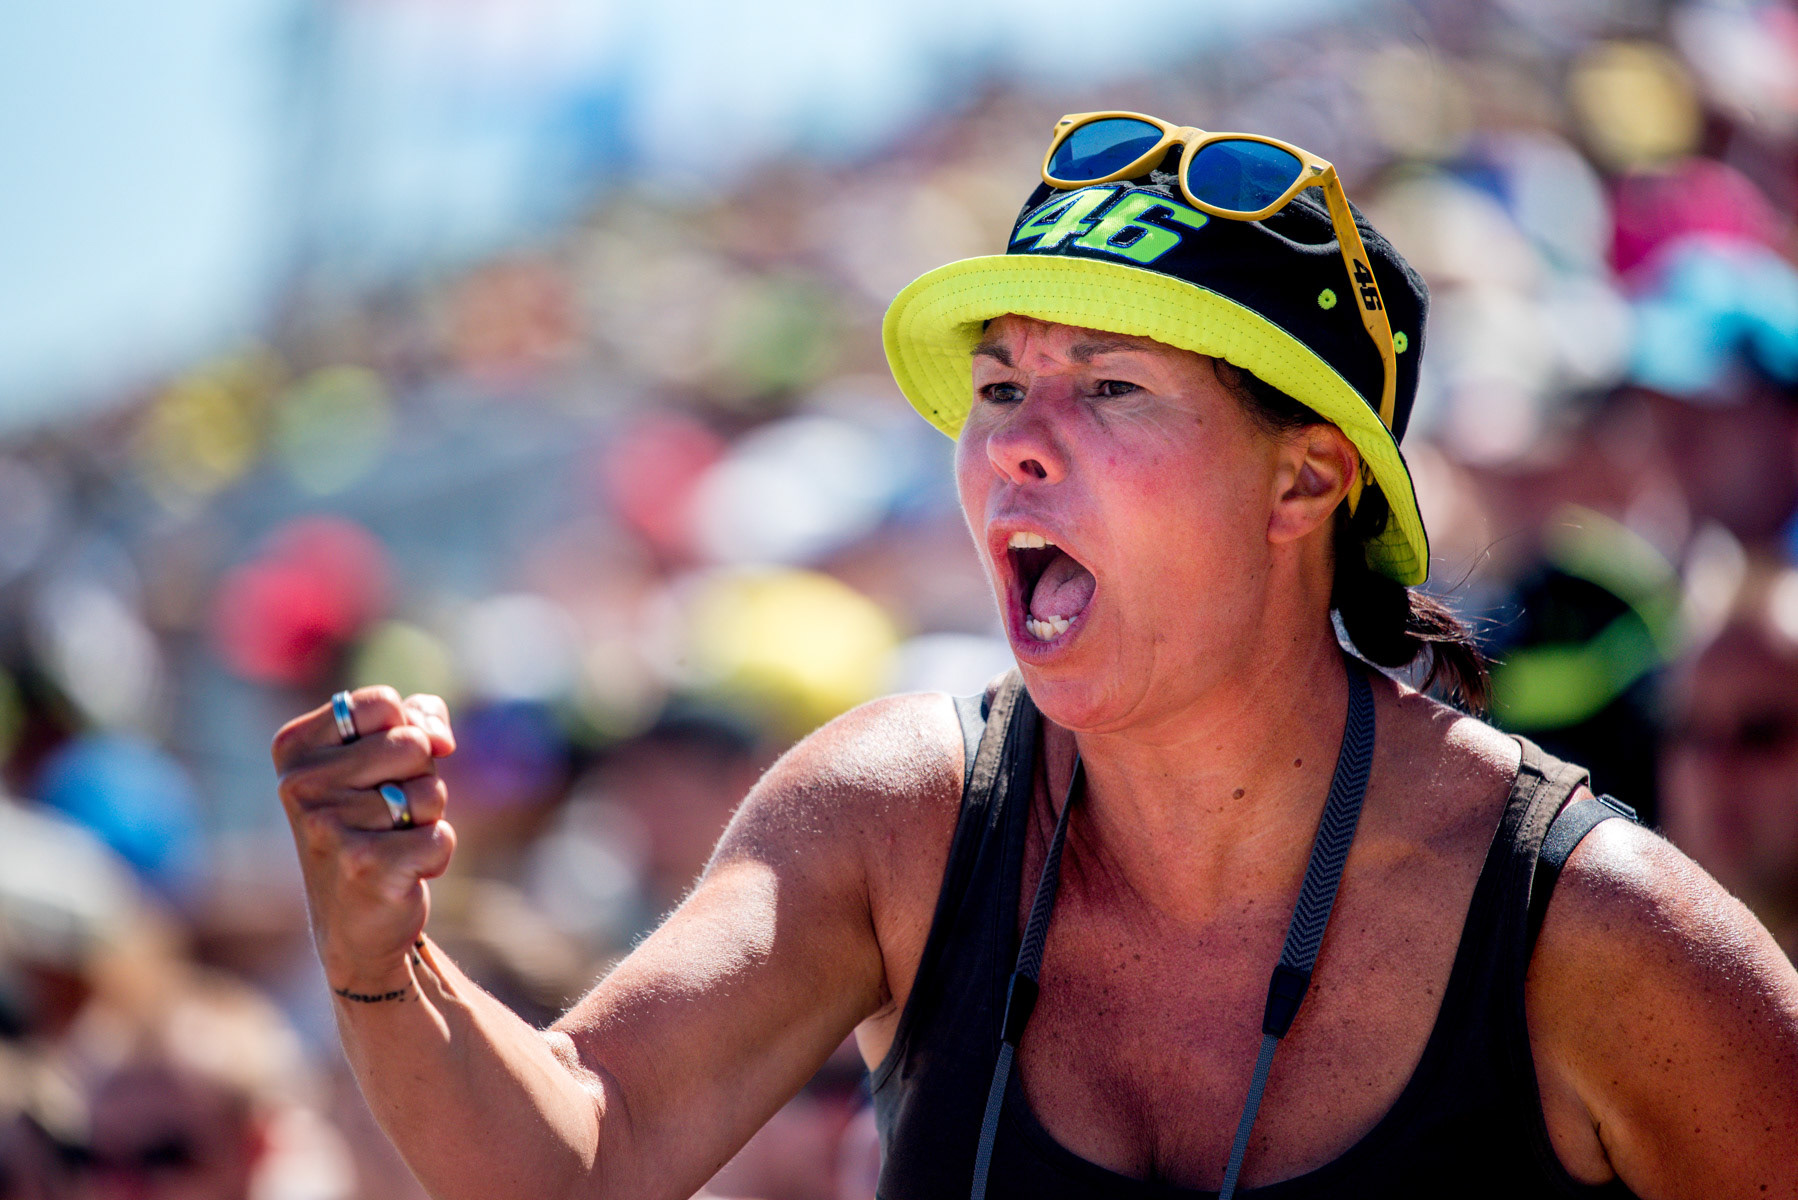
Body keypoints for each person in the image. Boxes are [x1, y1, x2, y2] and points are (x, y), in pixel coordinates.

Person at [271, 113, 1798, 1198]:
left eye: (1110, 387)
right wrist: (381, 958)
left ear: (1302, 479)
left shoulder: (1592, 931)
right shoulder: (894, 819)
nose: (1013, 443)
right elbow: (575, 1157)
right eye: (1000, 386)